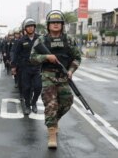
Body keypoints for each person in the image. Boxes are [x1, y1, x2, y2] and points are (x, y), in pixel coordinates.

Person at [30, 10, 81, 149]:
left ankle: (54, 120)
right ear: (48, 25)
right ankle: (52, 134)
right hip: (48, 77)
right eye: (53, 23)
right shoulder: (41, 40)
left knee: (67, 101)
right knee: (51, 104)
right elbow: (32, 58)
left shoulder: (69, 40)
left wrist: (71, 71)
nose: (56, 25)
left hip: (63, 77)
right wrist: (46, 57)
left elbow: (77, 57)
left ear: (62, 25)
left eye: (58, 22)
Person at [12, 18, 42, 115]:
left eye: (32, 26)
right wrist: (14, 67)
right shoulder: (21, 40)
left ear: (34, 27)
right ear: (25, 28)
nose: (30, 28)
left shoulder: (40, 39)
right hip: (25, 68)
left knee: (38, 87)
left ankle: (34, 103)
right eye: (28, 27)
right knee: (26, 88)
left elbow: (45, 52)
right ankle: (27, 106)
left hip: (37, 67)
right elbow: (16, 54)